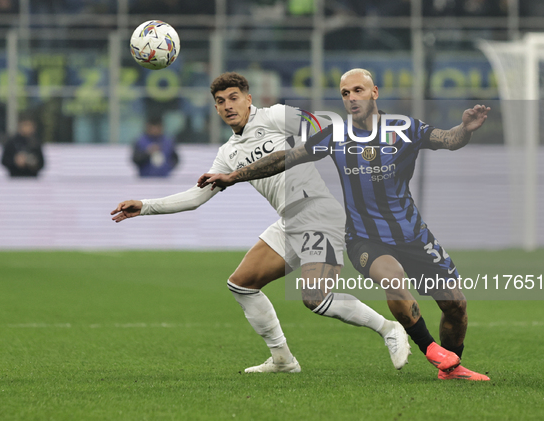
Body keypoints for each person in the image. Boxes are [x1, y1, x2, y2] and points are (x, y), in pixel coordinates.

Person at [198, 69, 491, 381]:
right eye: (345, 93)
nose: (352, 98)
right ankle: (431, 349)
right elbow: (286, 157)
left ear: (374, 92)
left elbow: (448, 140)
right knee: (393, 279)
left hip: (413, 235)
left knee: (455, 305)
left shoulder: (404, 128)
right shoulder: (336, 134)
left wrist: (465, 129)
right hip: (364, 238)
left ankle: (452, 368)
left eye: (358, 91)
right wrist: (233, 176)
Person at [111, 72, 412, 373]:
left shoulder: (276, 115)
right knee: (241, 284)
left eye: (233, 98)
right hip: (290, 220)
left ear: (248, 98)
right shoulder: (227, 153)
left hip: (318, 211)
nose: (228, 106)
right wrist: (146, 206)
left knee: (315, 298)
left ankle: (390, 329)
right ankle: (282, 358)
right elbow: (196, 197)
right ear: (215, 109)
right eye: (220, 102)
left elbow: (325, 128)